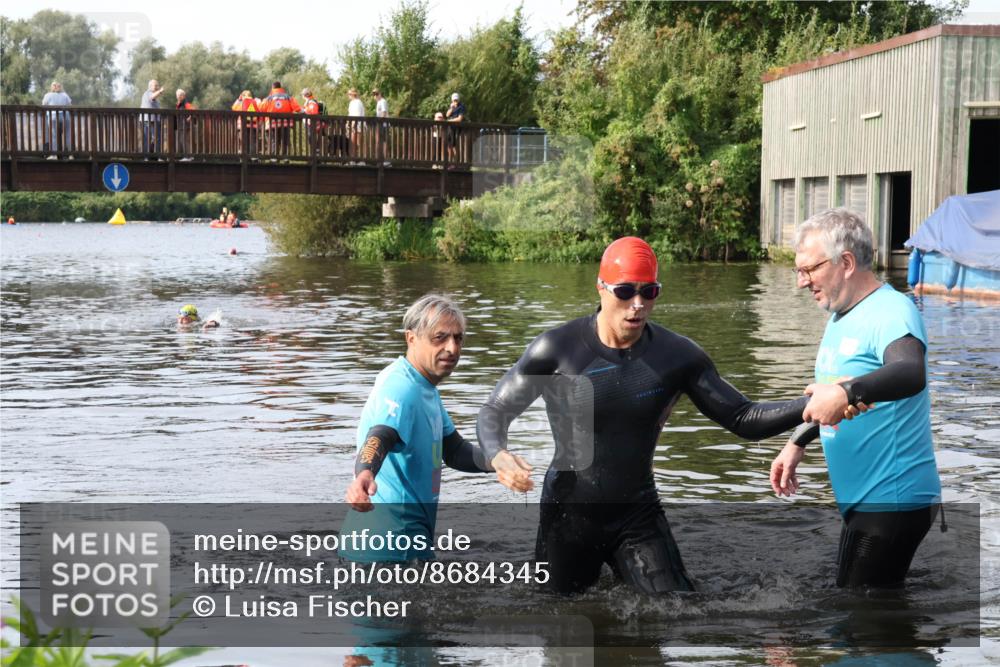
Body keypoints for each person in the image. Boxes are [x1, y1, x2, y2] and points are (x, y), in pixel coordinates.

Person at [476, 237, 821, 595]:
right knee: (562, 627)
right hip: (569, 516)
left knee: (678, 613)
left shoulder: (677, 356)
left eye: (649, 292)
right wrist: (497, 454)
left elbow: (743, 417)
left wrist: (815, 403)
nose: (637, 305)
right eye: (625, 291)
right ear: (601, 287)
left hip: (637, 514)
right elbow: (495, 411)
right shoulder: (557, 349)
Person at [770, 208, 942, 589]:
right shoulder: (842, 316)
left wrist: (846, 391)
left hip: (893, 498)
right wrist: (798, 441)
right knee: (859, 608)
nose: (802, 282)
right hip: (866, 499)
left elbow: (909, 372)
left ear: (845, 262)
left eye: (809, 270)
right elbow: (842, 399)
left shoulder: (891, 311)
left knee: (861, 620)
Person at [341, 294, 532, 563]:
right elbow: (381, 434)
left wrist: (499, 461)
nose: (452, 348)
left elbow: (453, 450)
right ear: (411, 338)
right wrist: (364, 474)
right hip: (386, 551)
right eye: (439, 338)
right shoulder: (401, 387)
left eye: (458, 338)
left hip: (400, 544)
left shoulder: (424, 387)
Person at [258, 81, 301, 159]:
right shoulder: (288, 97)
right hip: (285, 123)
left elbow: (260, 109)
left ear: (272, 88)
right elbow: (297, 109)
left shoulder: (268, 98)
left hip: (272, 124)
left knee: (274, 141)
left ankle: (274, 157)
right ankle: (286, 157)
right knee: (285, 141)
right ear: (280, 87)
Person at [41, 81, 72, 158]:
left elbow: (43, 105)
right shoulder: (65, 95)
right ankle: (69, 154)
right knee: (67, 134)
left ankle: (54, 155)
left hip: (53, 116)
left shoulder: (48, 95)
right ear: (60, 87)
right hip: (65, 116)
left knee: (53, 135)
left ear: (52, 87)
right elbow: (70, 105)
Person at [231, 90, 259, 157]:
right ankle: (253, 157)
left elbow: (233, 108)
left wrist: (238, 99)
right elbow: (259, 112)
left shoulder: (241, 103)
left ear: (242, 96)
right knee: (252, 142)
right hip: (253, 126)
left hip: (242, 126)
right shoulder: (254, 102)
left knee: (242, 142)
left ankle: (242, 157)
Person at [140, 79, 164, 158]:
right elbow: (152, 97)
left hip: (152, 120)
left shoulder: (151, 94)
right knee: (149, 138)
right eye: (155, 85)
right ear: (150, 86)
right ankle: (150, 156)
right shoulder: (148, 93)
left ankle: (153, 156)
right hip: (149, 120)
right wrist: (160, 91)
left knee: (155, 138)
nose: (157, 87)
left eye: (158, 85)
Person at [301, 88, 327, 156]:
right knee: (311, 138)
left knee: (311, 138)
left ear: (305, 95)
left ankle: (316, 153)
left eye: (303, 95)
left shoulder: (311, 102)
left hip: (312, 123)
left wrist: (304, 110)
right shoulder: (309, 101)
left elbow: (313, 112)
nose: (302, 96)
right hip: (311, 123)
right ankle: (315, 152)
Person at [444, 93, 466, 163]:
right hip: (450, 128)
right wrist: (451, 108)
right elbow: (447, 115)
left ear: (458, 99)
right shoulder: (452, 106)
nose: (455, 101)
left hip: (457, 128)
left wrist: (449, 121)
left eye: (456, 100)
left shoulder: (461, 106)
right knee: (448, 144)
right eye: (454, 100)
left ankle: (456, 162)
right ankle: (451, 161)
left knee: (454, 145)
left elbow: (460, 119)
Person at [174, 89, 195, 159]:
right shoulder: (178, 104)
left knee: (184, 140)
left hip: (185, 126)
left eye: (180, 95)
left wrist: (190, 117)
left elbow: (194, 111)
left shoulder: (186, 104)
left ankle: (188, 157)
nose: (178, 97)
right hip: (180, 126)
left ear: (183, 96)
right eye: (177, 95)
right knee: (180, 140)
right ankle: (183, 156)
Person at [346, 88, 365, 160]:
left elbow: (356, 115)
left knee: (356, 144)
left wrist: (353, 126)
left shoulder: (358, 102)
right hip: (352, 125)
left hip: (358, 126)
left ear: (354, 94)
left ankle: (359, 160)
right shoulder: (351, 103)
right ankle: (353, 159)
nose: (348, 95)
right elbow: (350, 114)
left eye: (350, 94)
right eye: (348, 94)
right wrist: (347, 123)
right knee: (352, 143)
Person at [372, 88, 389, 164]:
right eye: (374, 94)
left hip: (384, 125)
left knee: (384, 142)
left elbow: (384, 113)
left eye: (376, 94)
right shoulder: (378, 102)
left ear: (380, 94)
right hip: (380, 125)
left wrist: (380, 122)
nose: (375, 96)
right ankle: (379, 159)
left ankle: (384, 160)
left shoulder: (383, 101)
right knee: (379, 142)